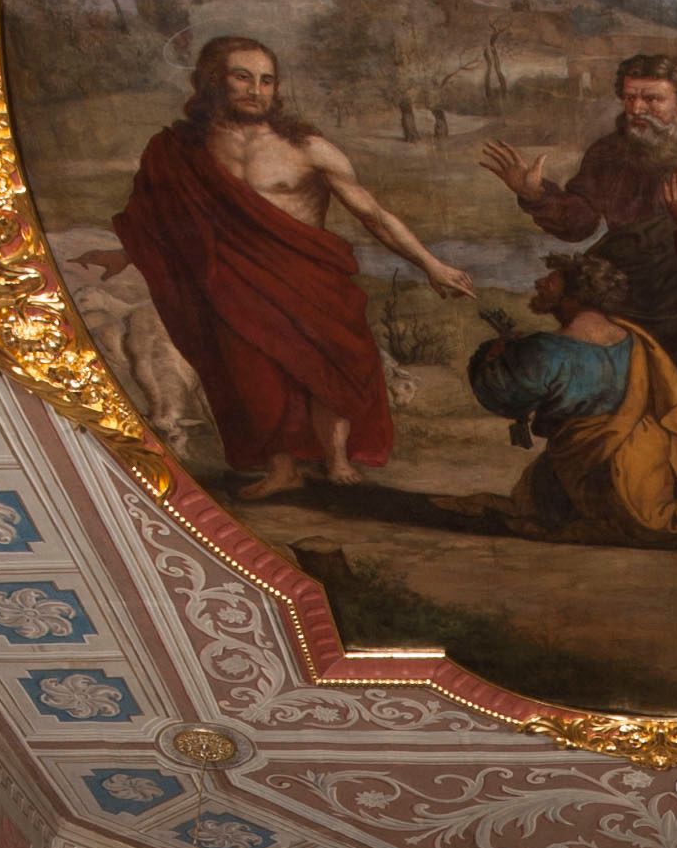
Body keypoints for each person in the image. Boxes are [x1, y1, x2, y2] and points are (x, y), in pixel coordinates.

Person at [110, 37, 473, 502]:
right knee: (254, 375)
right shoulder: (181, 151)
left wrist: (431, 264)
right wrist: (122, 253)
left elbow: (374, 216)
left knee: (330, 370)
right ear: (213, 81)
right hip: (235, 287)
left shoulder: (308, 148)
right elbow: (159, 219)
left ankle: (337, 459)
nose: (255, 90)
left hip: (311, 282)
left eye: (266, 80)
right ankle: (282, 470)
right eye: (242, 77)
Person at [468, 252, 677, 546]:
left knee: (649, 523)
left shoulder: (544, 350)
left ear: (575, 295)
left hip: (610, 469)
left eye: (550, 281)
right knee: (542, 512)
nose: (539, 283)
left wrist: (491, 359)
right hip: (638, 455)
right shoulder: (635, 339)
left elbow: (504, 397)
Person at [480, 51, 677, 371]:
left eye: (652, 99)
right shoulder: (608, 152)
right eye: (629, 98)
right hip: (629, 293)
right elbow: (580, 223)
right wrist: (537, 195)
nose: (636, 109)